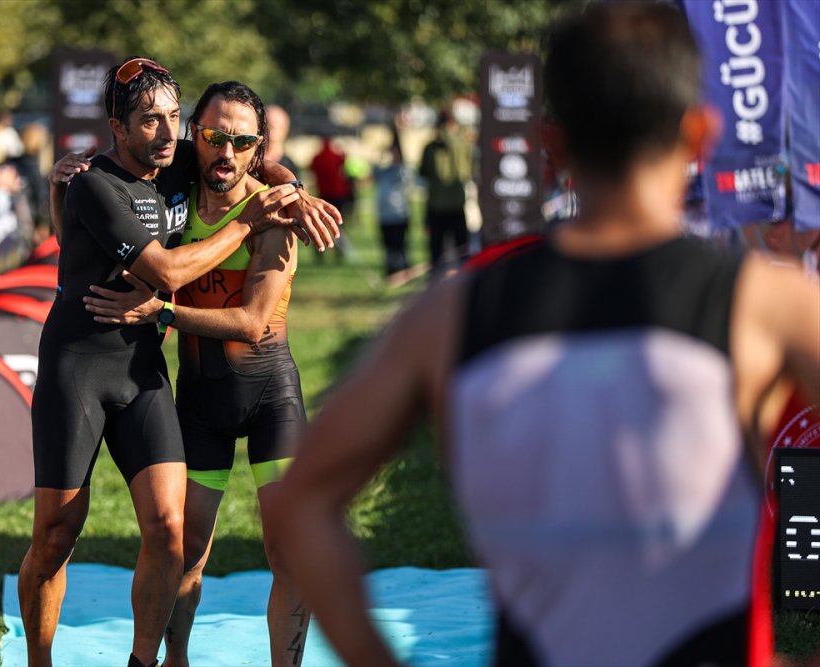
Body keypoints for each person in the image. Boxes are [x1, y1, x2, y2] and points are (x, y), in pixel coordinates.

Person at [263, 4, 820, 667]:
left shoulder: (449, 316)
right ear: (700, 135)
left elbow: (304, 502)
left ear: (550, 144)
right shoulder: (769, 305)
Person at [20, 57, 339, 667]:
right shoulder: (124, 178)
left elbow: (250, 162)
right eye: (151, 121)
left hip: (190, 381)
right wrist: (60, 187)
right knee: (65, 536)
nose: (170, 136)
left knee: (205, 539)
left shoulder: (218, 185)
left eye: (173, 120)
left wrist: (292, 189)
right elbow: (141, 264)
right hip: (100, 374)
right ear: (121, 125)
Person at [82, 81, 313, 667]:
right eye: (213, 136)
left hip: (270, 400)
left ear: (258, 147)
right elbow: (117, 177)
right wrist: (67, 181)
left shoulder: (273, 210)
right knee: (184, 552)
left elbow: (255, 323)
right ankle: (175, 661)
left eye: (242, 142)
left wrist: (160, 310)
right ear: (194, 137)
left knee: (289, 554)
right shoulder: (174, 195)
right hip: (201, 404)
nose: (226, 153)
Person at [418, 108, 472, 275]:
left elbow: (423, 173)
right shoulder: (462, 145)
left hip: (437, 205)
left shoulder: (430, 147)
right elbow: (467, 172)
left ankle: (437, 286)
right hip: (456, 203)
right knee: (461, 251)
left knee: (437, 254)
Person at [372, 133, 412, 277]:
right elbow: (373, 171)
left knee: (400, 245)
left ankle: (403, 270)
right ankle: (390, 270)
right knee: (387, 245)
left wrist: (398, 160)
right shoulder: (383, 171)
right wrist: (382, 154)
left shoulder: (402, 170)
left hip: (399, 214)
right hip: (384, 215)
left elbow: (407, 178)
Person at [265, 104, 299, 177]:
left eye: (271, 126)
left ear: (284, 130)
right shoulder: (249, 162)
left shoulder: (289, 168)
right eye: (263, 125)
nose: (265, 131)